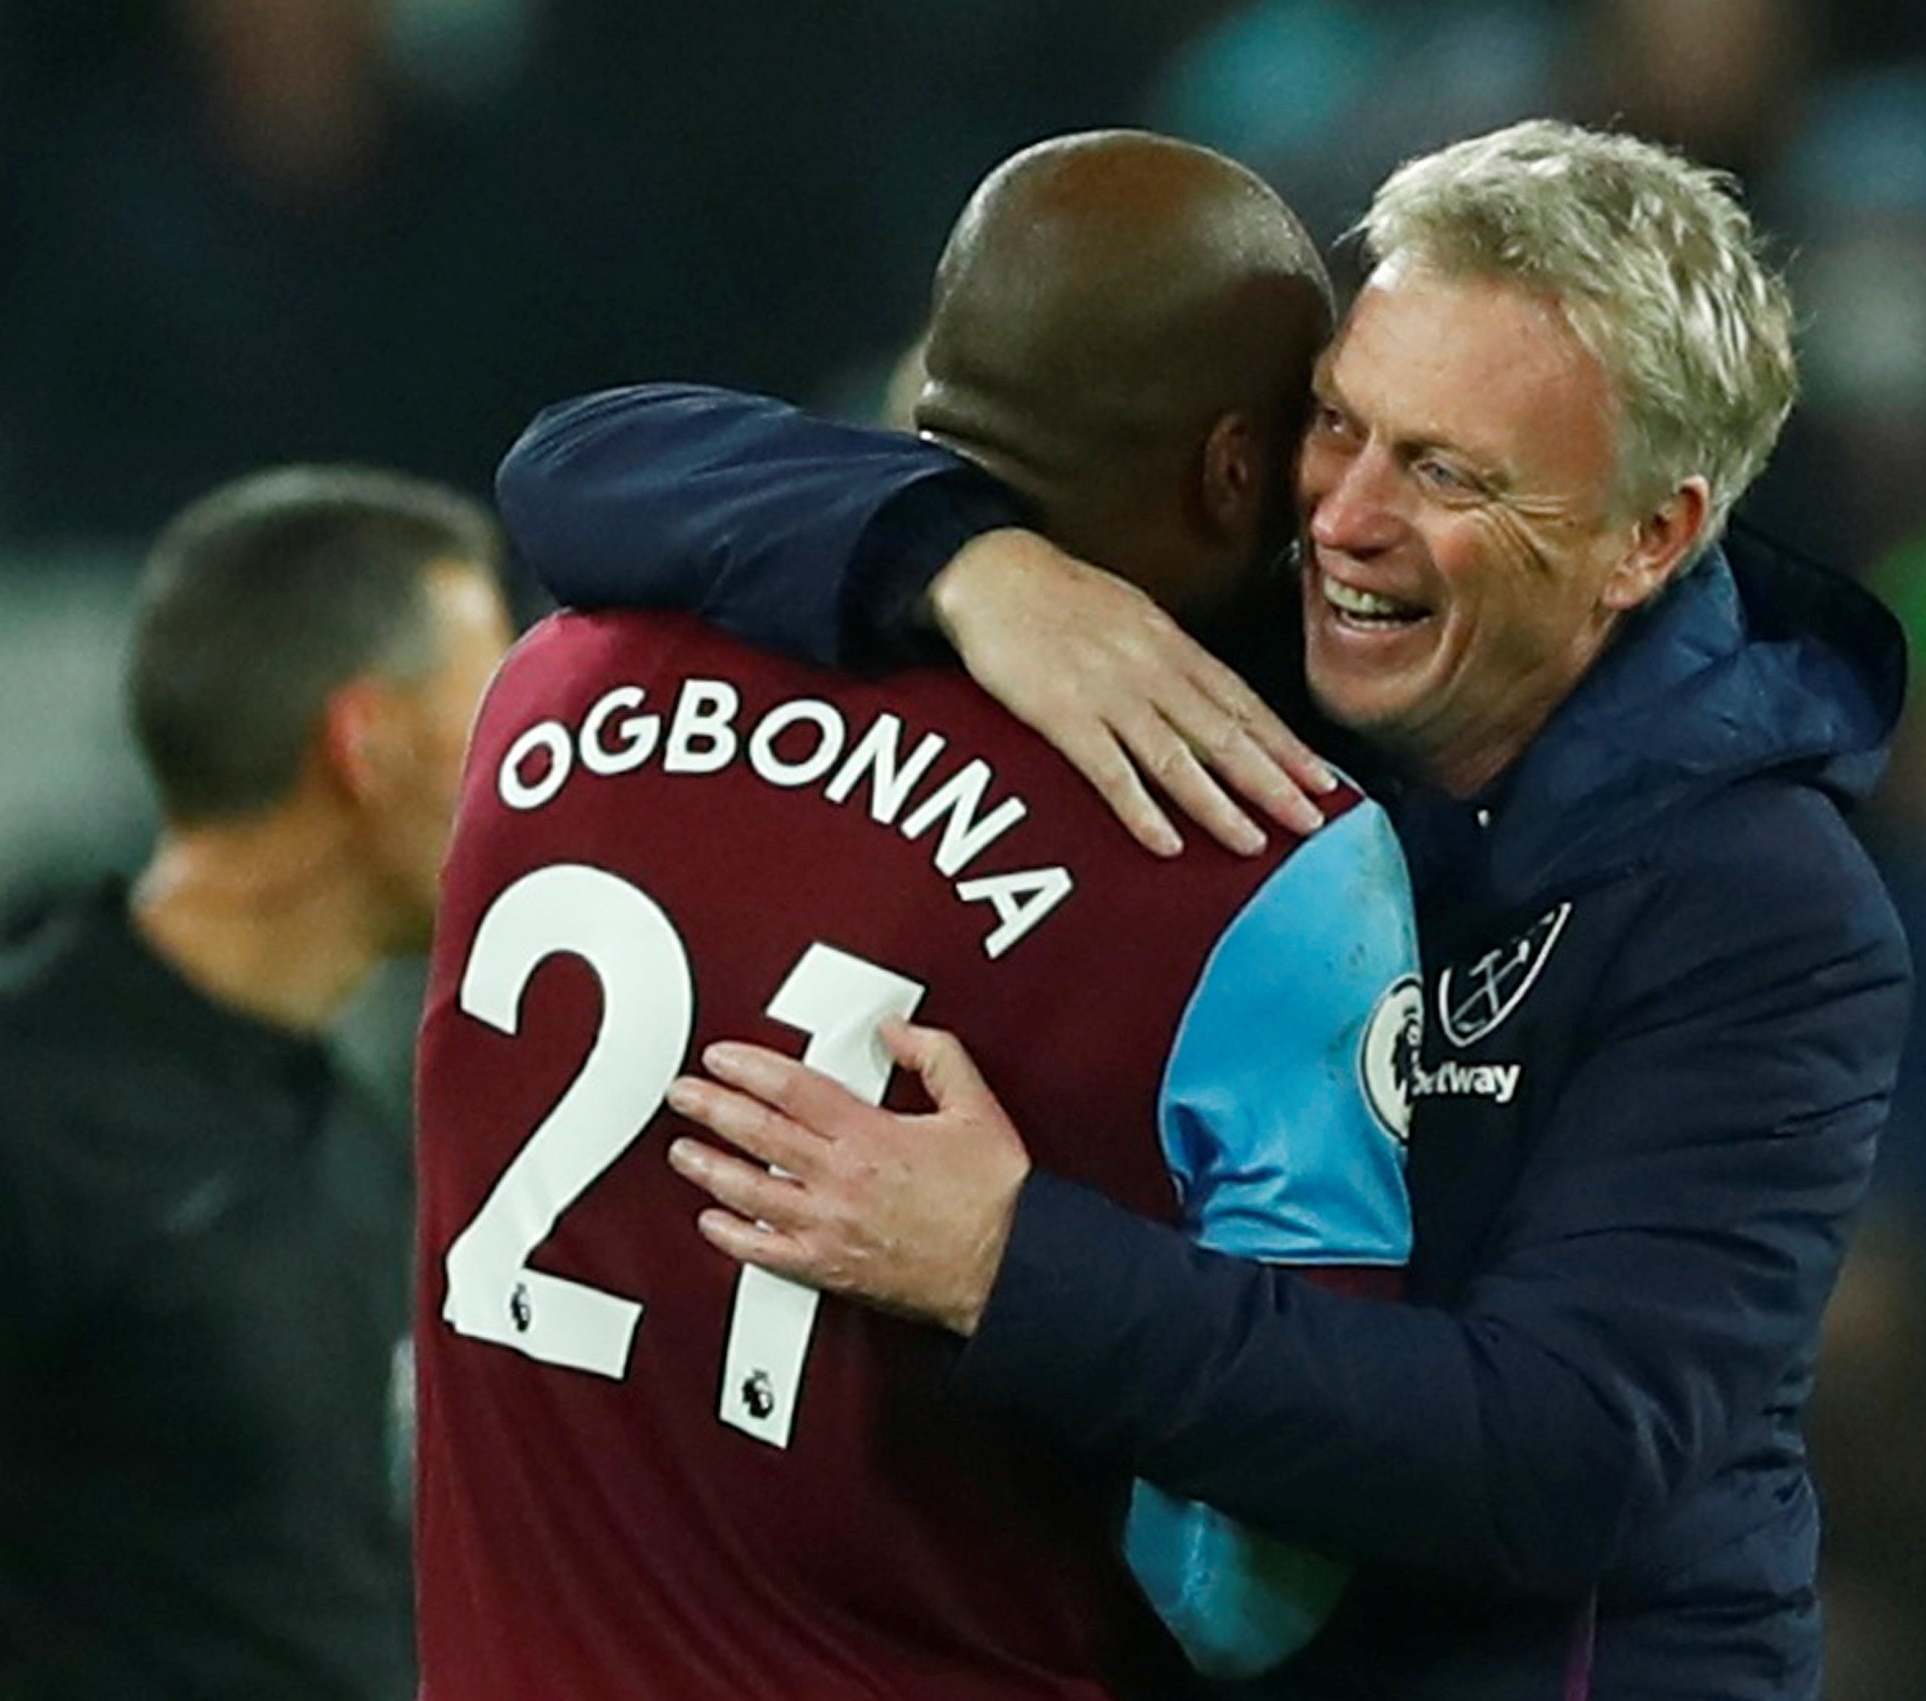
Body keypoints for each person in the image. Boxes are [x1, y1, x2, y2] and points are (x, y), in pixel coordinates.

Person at [496, 120, 1912, 1699]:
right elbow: (579, 467)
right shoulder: (1258, 642)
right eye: (1337, 424)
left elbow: (1557, 1451)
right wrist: (965, 566)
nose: (1345, 516)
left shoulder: (1760, 912)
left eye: (1446, 471)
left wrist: (1005, 1261)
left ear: (1649, 537)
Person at [413, 131, 1417, 1701]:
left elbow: (571, 459)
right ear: (1237, 469)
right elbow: (1246, 1589)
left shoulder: (551, 685)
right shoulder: (1263, 856)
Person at [0, 467, 512, 1698]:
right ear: (365, 744)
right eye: (496, 721)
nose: (526, 779)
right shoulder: (33, 1113)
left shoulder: (349, 1128)